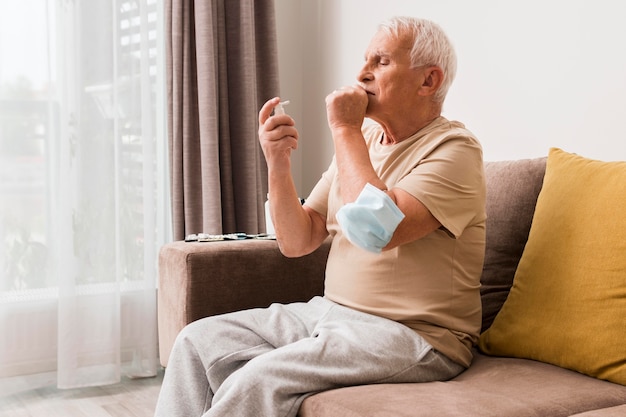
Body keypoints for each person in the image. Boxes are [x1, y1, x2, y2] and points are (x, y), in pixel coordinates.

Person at [154, 16, 486, 417]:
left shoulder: (455, 150)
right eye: (365, 60)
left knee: (260, 378)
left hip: (415, 336)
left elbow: (377, 231)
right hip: (330, 312)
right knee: (196, 341)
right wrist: (278, 165)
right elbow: (298, 240)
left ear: (428, 81)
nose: (362, 73)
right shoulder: (363, 142)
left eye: (380, 62)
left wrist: (343, 128)